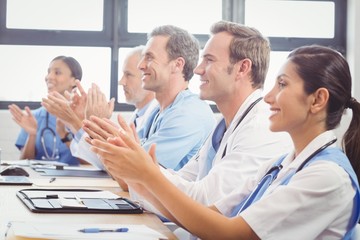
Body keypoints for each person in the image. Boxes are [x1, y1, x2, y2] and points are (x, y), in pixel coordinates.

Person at [91, 45, 360, 239]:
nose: (268, 97)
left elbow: (229, 233)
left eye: (282, 85)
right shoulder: (279, 165)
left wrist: (149, 176)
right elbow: (209, 215)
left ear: (317, 100)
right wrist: (142, 179)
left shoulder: (327, 178)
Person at [127, 20, 291, 215]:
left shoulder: (261, 129)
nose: (197, 69)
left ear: (242, 68)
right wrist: (140, 172)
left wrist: (143, 172)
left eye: (209, 60)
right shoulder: (224, 125)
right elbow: (185, 179)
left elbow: (205, 202)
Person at [83, 25, 216, 171]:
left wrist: (100, 124)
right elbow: (125, 161)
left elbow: (134, 170)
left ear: (177, 65)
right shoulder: (156, 112)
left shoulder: (190, 113)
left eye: (149, 57)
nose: (141, 65)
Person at [8, 56, 82, 165]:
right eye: (49, 72)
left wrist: (65, 136)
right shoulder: (34, 117)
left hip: (76, 181)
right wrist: (32, 134)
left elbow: (89, 163)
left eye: (57, 72)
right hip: (41, 181)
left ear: (74, 81)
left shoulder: (84, 118)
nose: (49, 77)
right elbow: (24, 164)